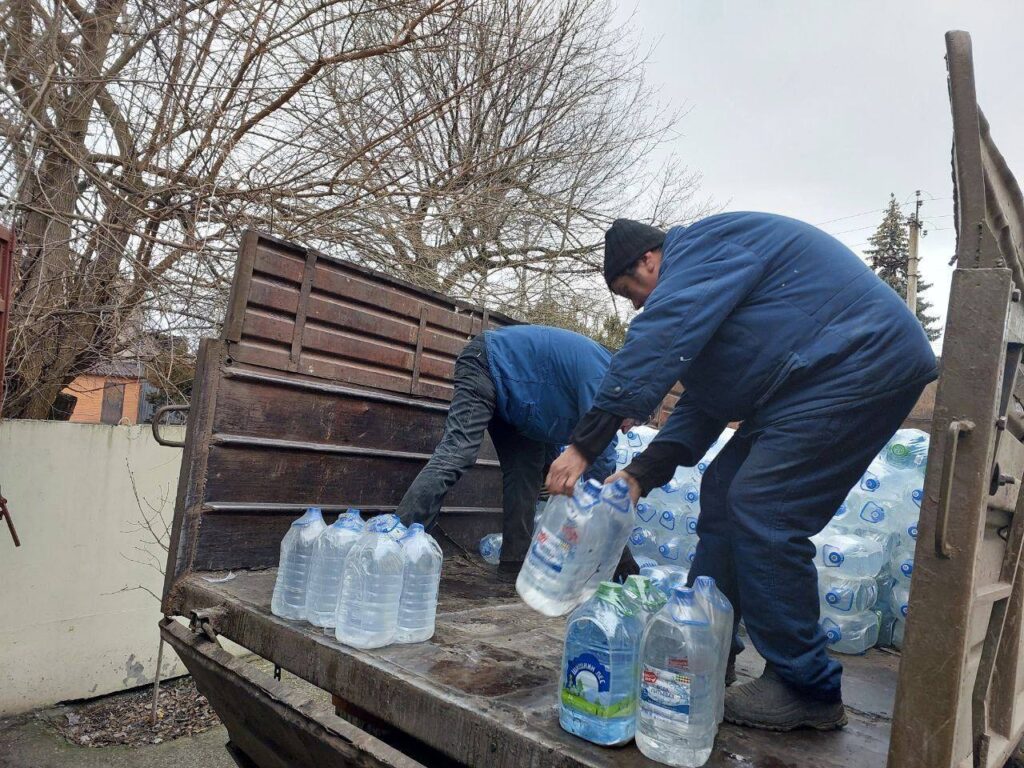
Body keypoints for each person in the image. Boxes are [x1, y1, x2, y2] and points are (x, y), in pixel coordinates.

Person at [546, 213, 937, 731]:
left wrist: (584, 444)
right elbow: (704, 405)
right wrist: (640, 474)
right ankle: (705, 648)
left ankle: (806, 687)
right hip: (809, 377)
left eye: (631, 289)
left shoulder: (700, 252)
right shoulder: (713, 289)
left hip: (860, 358)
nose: (637, 303)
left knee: (764, 505)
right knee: (725, 488)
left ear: (649, 258)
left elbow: (661, 334)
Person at [396, 324, 620, 571]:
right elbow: (601, 456)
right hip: (487, 363)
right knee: (458, 452)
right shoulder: (604, 378)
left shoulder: (601, 383)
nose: (626, 430)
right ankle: (396, 544)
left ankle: (513, 565)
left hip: (523, 403)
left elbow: (555, 431)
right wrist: (617, 543)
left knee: (527, 474)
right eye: (632, 421)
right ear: (631, 401)